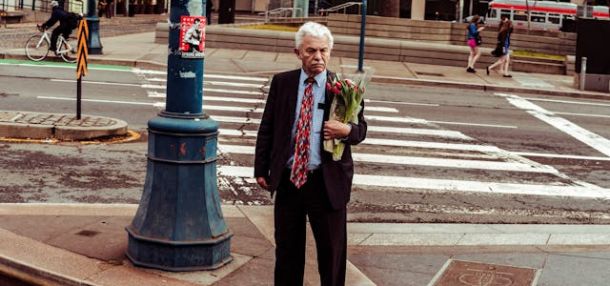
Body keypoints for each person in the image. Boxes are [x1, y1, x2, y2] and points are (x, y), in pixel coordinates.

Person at [254, 21, 367, 286]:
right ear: (298, 53)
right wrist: (261, 168)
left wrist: (346, 130)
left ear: (330, 52)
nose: (318, 57)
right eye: (310, 51)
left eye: (323, 51)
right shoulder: (283, 83)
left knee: (332, 254)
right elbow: (267, 126)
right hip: (289, 179)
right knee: (287, 253)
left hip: (326, 183)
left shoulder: (344, 87)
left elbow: (361, 131)